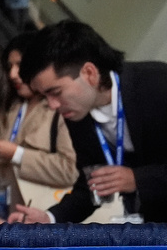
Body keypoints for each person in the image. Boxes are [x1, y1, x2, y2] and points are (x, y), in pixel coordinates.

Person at [10, 20, 167, 223]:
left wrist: (138, 179)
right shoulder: (77, 112)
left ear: (89, 73)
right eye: (44, 96)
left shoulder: (157, 84)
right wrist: (50, 218)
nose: (53, 105)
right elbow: (92, 183)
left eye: (56, 92)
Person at [0, 32, 76, 215]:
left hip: (33, 217)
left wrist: (17, 155)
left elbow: (70, 170)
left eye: (20, 65)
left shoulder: (60, 111)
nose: (13, 74)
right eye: (9, 67)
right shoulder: (4, 109)